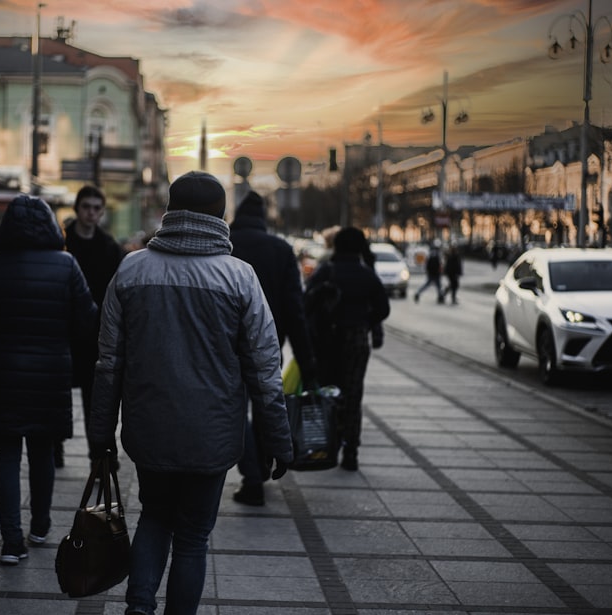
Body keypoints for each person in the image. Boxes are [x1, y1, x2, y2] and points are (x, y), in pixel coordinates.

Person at [88, 171, 293, 615]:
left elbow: (108, 363)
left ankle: (138, 607)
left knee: (154, 516)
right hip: (212, 435)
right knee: (194, 537)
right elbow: (265, 368)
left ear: (170, 210)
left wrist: (100, 433)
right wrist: (277, 438)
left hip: (150, 429)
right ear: (221, 215)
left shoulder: (132, 269)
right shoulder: (240, 277)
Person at [0, 195, 96, 566]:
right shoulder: (67, 266)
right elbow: (87, 322)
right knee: (41, 451)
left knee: (6, 455)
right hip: (49, 374)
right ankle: (40, 524)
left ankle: (11, 542)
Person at [228, 190, 316, 506]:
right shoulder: (280, 250)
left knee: (237, 411)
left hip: (227, 345)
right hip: (268, 343)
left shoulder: (226, 244)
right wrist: (307, 362)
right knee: (265, 405)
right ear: (263, 217)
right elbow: (296, 309)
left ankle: (252, 477)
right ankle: (264, 461)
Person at [305, 227, 389, 471]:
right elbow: (383, 308)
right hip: (356, 340)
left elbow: (306, 302)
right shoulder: (366, 275)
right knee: (353, 396)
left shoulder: (327, 272)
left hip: (327, 339)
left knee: (328, 393)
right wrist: (365, 320)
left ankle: (327, 447)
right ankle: (351, 451)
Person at [62, 185, 125, 468]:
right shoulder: (61, 243)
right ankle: (54, 447)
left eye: (96, 208)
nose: (91, 212)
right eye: (86, 206)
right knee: (58, 394)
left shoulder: (109, 248)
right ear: (77, 209)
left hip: (95, 336)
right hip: (62, 332)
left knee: (95, 398)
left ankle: (99, 456)